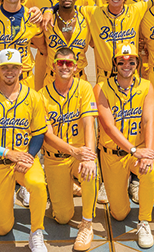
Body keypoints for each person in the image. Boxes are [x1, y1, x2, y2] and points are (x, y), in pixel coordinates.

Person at [0, 49, 50, 252]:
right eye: (5, 67)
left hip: (24, 160)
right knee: (3, 228)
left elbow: (39, 133)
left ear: (21, 69)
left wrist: (29, 157)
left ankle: (36, 233)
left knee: (38, 184)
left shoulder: (33, 97)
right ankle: (5, 200)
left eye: (14, 67)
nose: (10, 72)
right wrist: (7, 153)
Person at [95, 44, 154, 248]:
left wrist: (147, 152)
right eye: (121, 61)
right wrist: (134, 150)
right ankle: (128, 186)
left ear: (137, 64)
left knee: (150, 170)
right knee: (119, 214)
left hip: (137, 151)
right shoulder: (101, 87)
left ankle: (144, 221)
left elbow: (148, 121)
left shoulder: (146, 86)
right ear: (115, 64)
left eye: (131, 61)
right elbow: (108, 126)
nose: (126, 65)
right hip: (112, 154)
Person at [40, 48, 99, 251]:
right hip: (55, 158)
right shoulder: (42, 95)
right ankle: (69, 187)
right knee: (62, 218)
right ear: (53, 65)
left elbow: (89, 124)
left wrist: (89, 156)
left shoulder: (84, 87)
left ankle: (87, 224)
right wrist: (73, 151)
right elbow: (47, 135)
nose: (65, 66)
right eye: (61, 62)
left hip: (78, 156)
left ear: (75, 67)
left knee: (91, 172)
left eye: (69, 63)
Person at [28, 0, 95, 89]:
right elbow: (23, 23)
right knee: (43, 97)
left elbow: (97, 19)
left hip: (76, 59)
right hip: (45, 57)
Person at [39, 0, 92, 86]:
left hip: (79, 80)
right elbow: (40, 46)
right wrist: (49, 10)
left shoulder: (86, 19)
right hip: (52, 79)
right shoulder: (47, 20)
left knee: (91, 103)